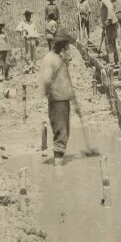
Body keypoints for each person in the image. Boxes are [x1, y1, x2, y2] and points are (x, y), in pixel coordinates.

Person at [40, 28, 78, 166]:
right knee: (61, 133)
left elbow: (65, 80)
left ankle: (58, 165)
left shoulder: (59, 58)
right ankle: (58, 170)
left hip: (63, 98)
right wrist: (55, 93)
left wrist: (73, 100)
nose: (68, 47)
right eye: (67, 45)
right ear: (62, 45)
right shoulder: (50, 59)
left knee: (63, 131)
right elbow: (46, 80)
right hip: (57, 100)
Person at [98, 0, 119, 64]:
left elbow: (110, 7)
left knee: (109, 43)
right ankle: (116, 60)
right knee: (112, 42)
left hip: (111, 23)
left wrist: (109, 19)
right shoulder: (106, 0)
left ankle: (111, 62)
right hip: (112, 23)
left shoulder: (104, 0)